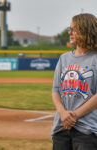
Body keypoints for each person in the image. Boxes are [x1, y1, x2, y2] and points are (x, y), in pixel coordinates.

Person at [52, 13, 97, 150]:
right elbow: (55, 90)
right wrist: (63, 113)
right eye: (70, 28)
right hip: (61, 128)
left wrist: (75, 115)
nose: (69, 32)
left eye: (74, 29)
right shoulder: (64, 58)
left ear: (86, 30)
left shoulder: (95, 59)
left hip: (86, 130)